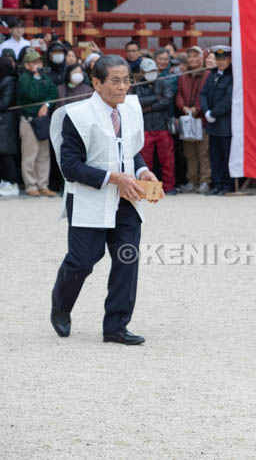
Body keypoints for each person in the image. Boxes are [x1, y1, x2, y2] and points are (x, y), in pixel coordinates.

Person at [49, 55, 162, 345]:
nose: (123, 87)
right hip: (91, 198)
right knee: (83, 260)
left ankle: (116, 326)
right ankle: (61, 305)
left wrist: (142, 171)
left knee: (127, 258)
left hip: (127, 198)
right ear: (97, 83)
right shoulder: (77, 116)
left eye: (126, 80)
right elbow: (70, 167)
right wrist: (114, 178)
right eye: (115, 81)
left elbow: (131, 150)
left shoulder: (131, 109)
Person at [16, 48, 58, 197]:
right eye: (34, 62)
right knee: (29, 154)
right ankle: (31, 184)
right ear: (27, 64)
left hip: (43, 119)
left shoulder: (45, 77)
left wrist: (46, 105)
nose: (37, 64)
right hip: (28, 119)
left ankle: (43, 184)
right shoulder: (23, 78)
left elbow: (54, 92)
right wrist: (34, 77)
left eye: (39, 61)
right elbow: (31, 94)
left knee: (43, 153)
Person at [136, 57, 177, 195]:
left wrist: (148, 107)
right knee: (146, 161)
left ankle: (169, 187)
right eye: (148, 71)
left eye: (153, 70)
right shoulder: (137, 85)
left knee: (167, 160)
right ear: (142, 72)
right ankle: (147, 189)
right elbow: (137, 102)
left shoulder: (164, 82)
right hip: (146, 127)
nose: (151, 73)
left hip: (162, 126)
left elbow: (166, 100)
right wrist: (156, 98)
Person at [175, 45, 211, 194]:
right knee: (189, 153)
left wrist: (197, 109)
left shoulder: (208, 75)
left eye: (196, 56)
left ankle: (205, 180)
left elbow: (207, 96)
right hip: (187, 119)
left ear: (202, 58)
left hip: (201, 119)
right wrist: (183, 107)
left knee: (203, 153)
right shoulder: (183, 77)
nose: (192, 59)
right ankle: (192, 180)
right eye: (190, 57)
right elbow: (179, 95)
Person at [199, 45, 233, 195]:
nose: (221, 62)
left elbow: (228, 98)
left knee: (226, 156)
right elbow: (203, 93)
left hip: (225, 123)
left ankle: (227, 184)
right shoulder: (212, 75)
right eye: (219, 59)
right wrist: (206, 111)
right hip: (212, 124)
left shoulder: (232, 75)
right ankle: (217, 183)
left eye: (224, 59)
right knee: (214, 155)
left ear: (229, 59)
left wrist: (214, 113)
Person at [0, 55, 18, 196]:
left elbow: (5, 103)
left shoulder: (10, 81)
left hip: (7, 120)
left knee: (7, 153)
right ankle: (5, 181)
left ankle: (13, 183)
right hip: (2, 121)